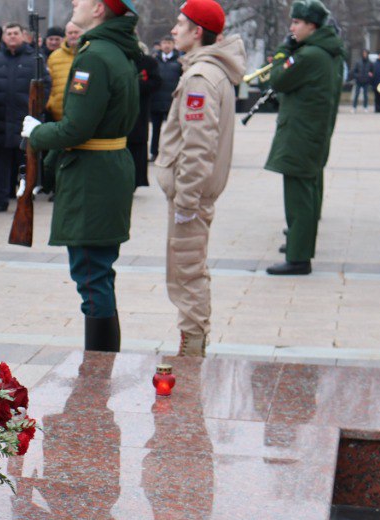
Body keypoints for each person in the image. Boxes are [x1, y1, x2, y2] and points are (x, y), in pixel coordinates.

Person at [23, 0, 140, 352]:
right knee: (98, 274)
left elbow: (76, 128)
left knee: (92, 276)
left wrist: (36, 134)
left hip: (93, 177)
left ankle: (99, 369)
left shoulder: (93, 56)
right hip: (106, 170)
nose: (75, 2)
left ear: (101, 9)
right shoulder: (116, 51)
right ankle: (103, 363)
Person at [153, 0, 244, 358]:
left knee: (186, 272)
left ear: (198, 32)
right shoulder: (205, 71)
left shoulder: (200, 77)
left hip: (191, 196)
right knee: (187, 267)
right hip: (192, 193)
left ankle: (192, 349)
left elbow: (198, 144)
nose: (174, 30)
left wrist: (187, 201)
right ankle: (193, 343)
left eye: (180, 24)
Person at [262, 0, 345, 275]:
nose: (292, 27)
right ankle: (299, 247)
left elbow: (277, 79)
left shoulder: (309, 55)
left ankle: (298, 258)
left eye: (297, 22)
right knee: (305, 195)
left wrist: (283, 51)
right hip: (312, 132)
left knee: (298, 198)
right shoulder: (327, 52)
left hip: (300, 133)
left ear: (312, 25)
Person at [0, 22, 49, 213]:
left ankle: (25, 197)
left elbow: (46, 85)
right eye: (8, 33)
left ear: (24, 36)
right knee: (0, 166)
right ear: (4, 37)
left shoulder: (35, 60)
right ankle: (0, 201)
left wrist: (38, 109)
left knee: (25, 164)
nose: (12, 36)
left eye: (15, 33)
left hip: (24, 121)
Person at [127, 43, 159, 188]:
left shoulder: (149, 62)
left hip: (140, 109)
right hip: (121, 110)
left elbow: (156, 82)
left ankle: (136, 179)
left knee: (137, 143)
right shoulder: (120, 59)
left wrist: (135, 85)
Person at [149, 36, 180, 157]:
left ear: (173, 44)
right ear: (161, 45)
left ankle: (171, 154)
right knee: (155, 130)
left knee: (172, 130)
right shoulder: (154, 60)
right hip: (156, 100)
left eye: (169, 43)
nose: (166, 45)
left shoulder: (179, 61)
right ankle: (154, 153)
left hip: (172, 101)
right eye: (164, 43)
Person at [46, 22, 83, 121]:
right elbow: (48, 83)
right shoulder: (54, 57)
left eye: (76, 32)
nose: (73, 35)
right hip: (58, 114)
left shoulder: (88, 54)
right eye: (70, 33)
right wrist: (51, 103)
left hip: (82, 112)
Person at [350, 48, 371, 112]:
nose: (365, 54)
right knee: (356, 94)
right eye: (364, 53)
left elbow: (372, 72)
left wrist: (369, 77)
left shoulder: (370, 63)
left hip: (366, 81)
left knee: (365, 95)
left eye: (366, 53)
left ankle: (365, 107)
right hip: (359, 81)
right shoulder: (358, 62)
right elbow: (354, 71)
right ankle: (354, 107)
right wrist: (357, 76)